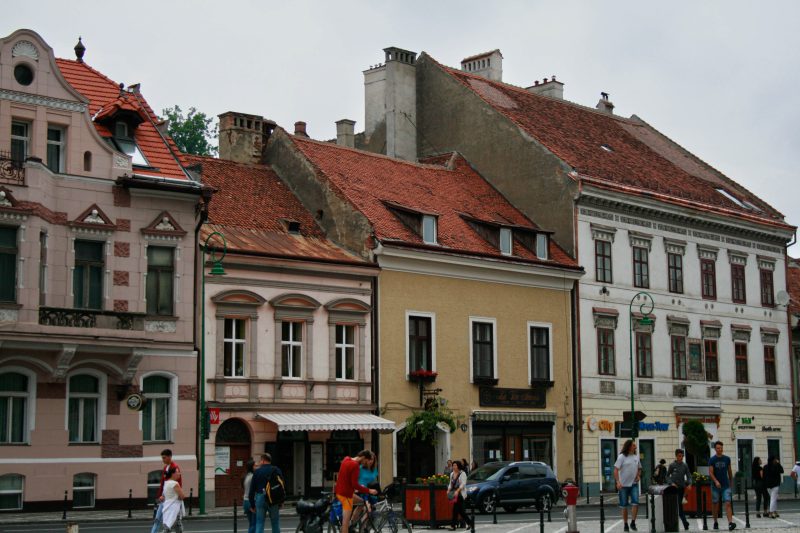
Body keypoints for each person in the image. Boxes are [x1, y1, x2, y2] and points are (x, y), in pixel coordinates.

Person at [335, 450, 378, 533]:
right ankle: (347, 526)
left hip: (341, 492)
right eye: (367, 462)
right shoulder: (355, 466)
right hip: (346, 495)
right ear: (364, 458)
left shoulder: (346, 459)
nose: (365, 464)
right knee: (345, 526)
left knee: (362, 502)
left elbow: (346, 479)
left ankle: (352, 523)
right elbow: (355, 484)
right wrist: (369, 490)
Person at [248, 453, 283, 533]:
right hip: (274, 499)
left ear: (263, 461)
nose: (260, 462)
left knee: (260, 523)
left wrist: (252, 505)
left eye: (260, 460)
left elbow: (252, 490)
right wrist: (281, 501)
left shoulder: (257, 472)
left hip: (260, 498)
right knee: (275, 523)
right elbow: (281, 487)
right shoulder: (276, 470)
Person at [614, 439, 642, 532]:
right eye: (634, 445)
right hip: (623, 485)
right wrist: (618, 482)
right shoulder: (621, 457)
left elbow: (639, 468)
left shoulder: (636, 457)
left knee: (636, 503)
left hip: (634, 484)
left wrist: (638, 475)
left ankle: (633, 522)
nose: (635, 447)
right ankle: (626, 524)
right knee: (624, 505)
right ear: (629, 447)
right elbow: (616, 470)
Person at [151, 449, 181, 533]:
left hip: (170, 500)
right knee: (158, 520)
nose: (163, 460)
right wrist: (160, 495)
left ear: (170, 457)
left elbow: (178, 483)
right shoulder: (165, 468)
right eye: (162, 458)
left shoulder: (175, 467)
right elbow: (163, 484)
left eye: (164, 458)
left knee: (169, 522)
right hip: (164, 498)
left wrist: (178, 497)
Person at [709, 441, 736, 530]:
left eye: (721, 448)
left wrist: (731, 481)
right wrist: (716, 481)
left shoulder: (727, 459)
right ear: (715, 449)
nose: (719, 449)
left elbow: (729, 471)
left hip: (725, 485)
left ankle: (730, 523)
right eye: (718, 448)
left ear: (722, 448)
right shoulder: (712, 459)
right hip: (715, 486)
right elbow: (710, 472)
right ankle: (715, 522)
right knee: (715, 503)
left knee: (728, 503)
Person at [667, 449, 692, 531]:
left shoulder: (685, 465)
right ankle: (684, 522)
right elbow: (667, 476)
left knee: (679, 507)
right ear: (676, 456)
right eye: (679, 456)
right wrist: (671, 483)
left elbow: (689, 475)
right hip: (672, 489)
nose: (680, 458)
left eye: (682, 456)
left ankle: (685, 522)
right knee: (674, 507)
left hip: (681, 488)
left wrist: (689, 483)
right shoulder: (672, 465)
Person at [159, 467, 185, 532]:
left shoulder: (166, 483)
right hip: (174, 508)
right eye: (177, 472)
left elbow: (164, 496)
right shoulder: (175, 484)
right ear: (173, 474)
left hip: (167, 507)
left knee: (169, 526)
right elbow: (182, 496)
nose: (179, 474)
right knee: (172, 527)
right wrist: (179, 497)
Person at [449, 460, 473, 530]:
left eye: (455, 465)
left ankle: (453, 525)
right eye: (453, 465)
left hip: (460, 494)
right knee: (460, 511)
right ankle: (470, 523)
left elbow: (463, 484)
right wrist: (448, 489)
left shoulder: (463, 474)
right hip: (454, 494)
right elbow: (451, 483)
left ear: (458, 466)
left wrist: (458, 490)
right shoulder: (452, 474)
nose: (453, 467)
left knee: (455, 509)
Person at [243, 459, 256, 533]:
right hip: (251, 501)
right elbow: (253, 491)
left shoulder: (246, 476)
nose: (256, 467)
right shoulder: (252, 477)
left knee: (251, 524)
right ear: (252, 467)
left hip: (245, 501)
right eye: (255, 465)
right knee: (254, 525)